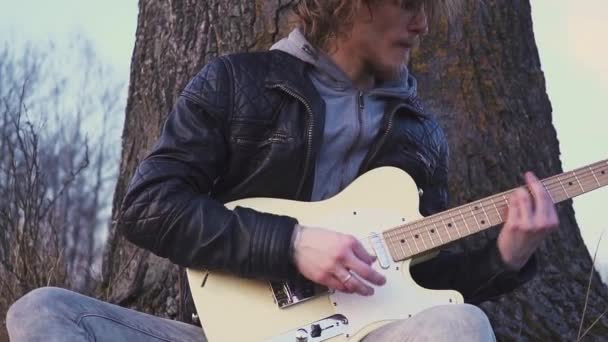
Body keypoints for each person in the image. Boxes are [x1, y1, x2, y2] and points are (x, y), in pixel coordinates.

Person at [6, 1, 559, 341]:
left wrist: (505, 256)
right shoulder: (236, 83)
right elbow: (150, 207)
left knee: (461, 328)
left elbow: (423, 288)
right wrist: (291, 244)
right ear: (350, 3)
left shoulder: (421, 136)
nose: (423, 23)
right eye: (407, 1)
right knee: (43, 311)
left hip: (370, 335)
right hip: (231, 335)